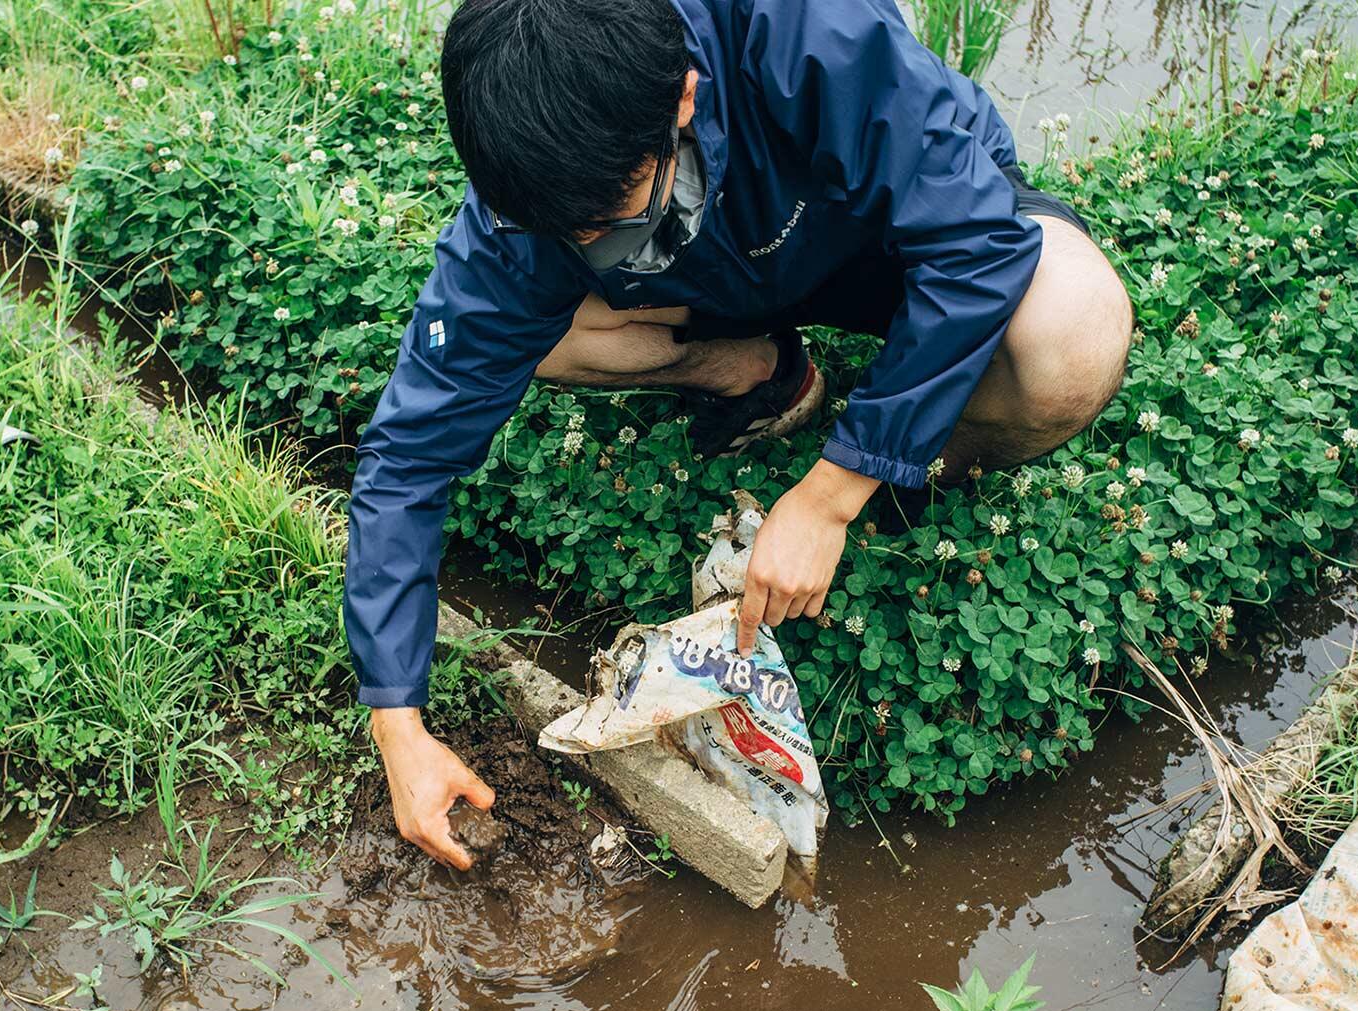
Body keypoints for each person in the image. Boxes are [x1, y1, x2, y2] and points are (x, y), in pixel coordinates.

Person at [345, 0, 1134, 868]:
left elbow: (976, 242)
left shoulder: (801, 28)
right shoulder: (526, 199)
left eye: (611, 214)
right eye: (566, 231)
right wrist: (398, 725)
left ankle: (925, 469)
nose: (592, 243)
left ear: (684, 99)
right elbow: (409, 457)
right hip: (727, 281)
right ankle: (755, 370)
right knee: (543, 329)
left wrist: (831, 497)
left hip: (877, 238)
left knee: (1074, 332)